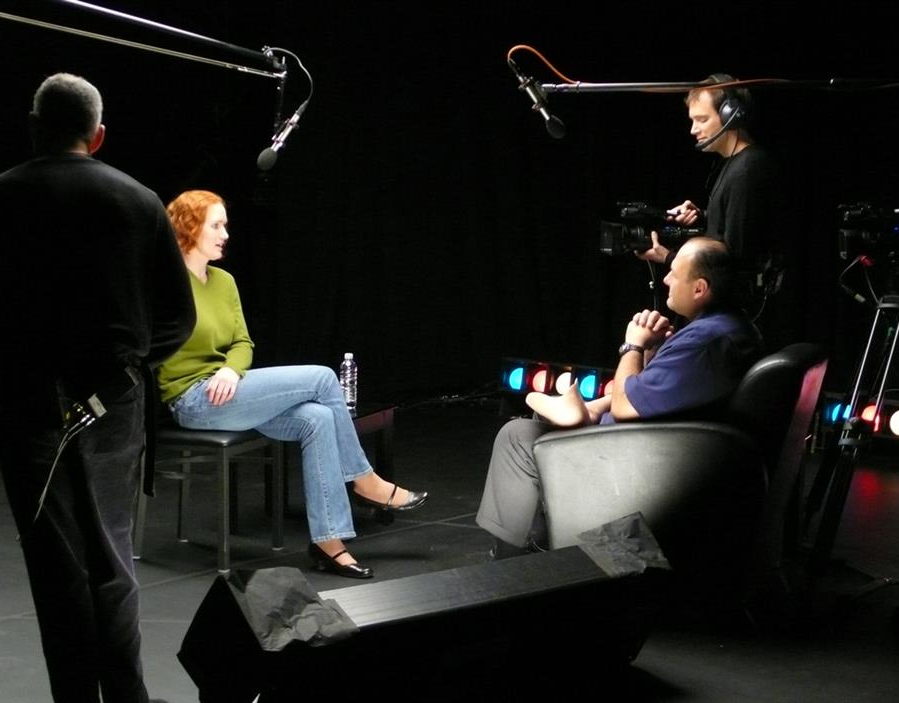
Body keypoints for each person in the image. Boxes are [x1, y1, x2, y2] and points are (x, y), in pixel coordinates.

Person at [0, 73, 196, 703]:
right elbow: (178, 317)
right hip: (114, 402)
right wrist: (127, 366)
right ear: (99, 134)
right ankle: (128, 695)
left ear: (35, 126)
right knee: (113, 557)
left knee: (55, 564)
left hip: (27, 401)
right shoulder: (137, 199)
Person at [156, 190, 427, 579]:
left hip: (229, 389)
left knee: (318, 418)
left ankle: (328, 543)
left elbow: (242, 343)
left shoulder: (224, 282)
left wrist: (230, 370)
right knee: (323, 377)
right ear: (189, 228)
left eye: (225, 225)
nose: (226, 234)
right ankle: (365, 480)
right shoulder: (166, 285)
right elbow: (156, 347)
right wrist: (216, 376)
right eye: (216, 225)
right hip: (193, 399)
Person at [476, 237, 763, 557]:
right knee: (534, 427)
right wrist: (653, 352)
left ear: (699, 289)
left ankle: (513, 562)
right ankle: (539, 544)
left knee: (517, 436)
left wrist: (633, 345)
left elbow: (626, 406)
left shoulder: (705, 342)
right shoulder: (728, 329)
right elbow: (656, 394)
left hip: (635, 457)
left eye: (675, 274)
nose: (666, 279)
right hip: (654, 443)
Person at [638, 74, 787, 325]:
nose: (693, 129)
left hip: (729, 315)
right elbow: (737, 224)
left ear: (732, 116)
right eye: (692, 120)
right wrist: (703, 216)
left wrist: (669, 258)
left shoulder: (747, 169)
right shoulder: (736, 164)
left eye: (702, 119)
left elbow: (733, 259)